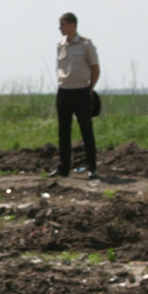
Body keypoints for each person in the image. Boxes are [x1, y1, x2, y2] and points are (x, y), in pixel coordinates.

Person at [49, 12, 100, 179]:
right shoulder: (60, 45)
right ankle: (64, 167)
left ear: (72, 25)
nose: (60, 28)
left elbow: (95, 68)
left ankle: (92, 167)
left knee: (86, 130)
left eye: (62, 25)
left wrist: (89, 89)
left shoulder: (85, 45)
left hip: (81, 91)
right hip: (64, 91)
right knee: (64, 131)